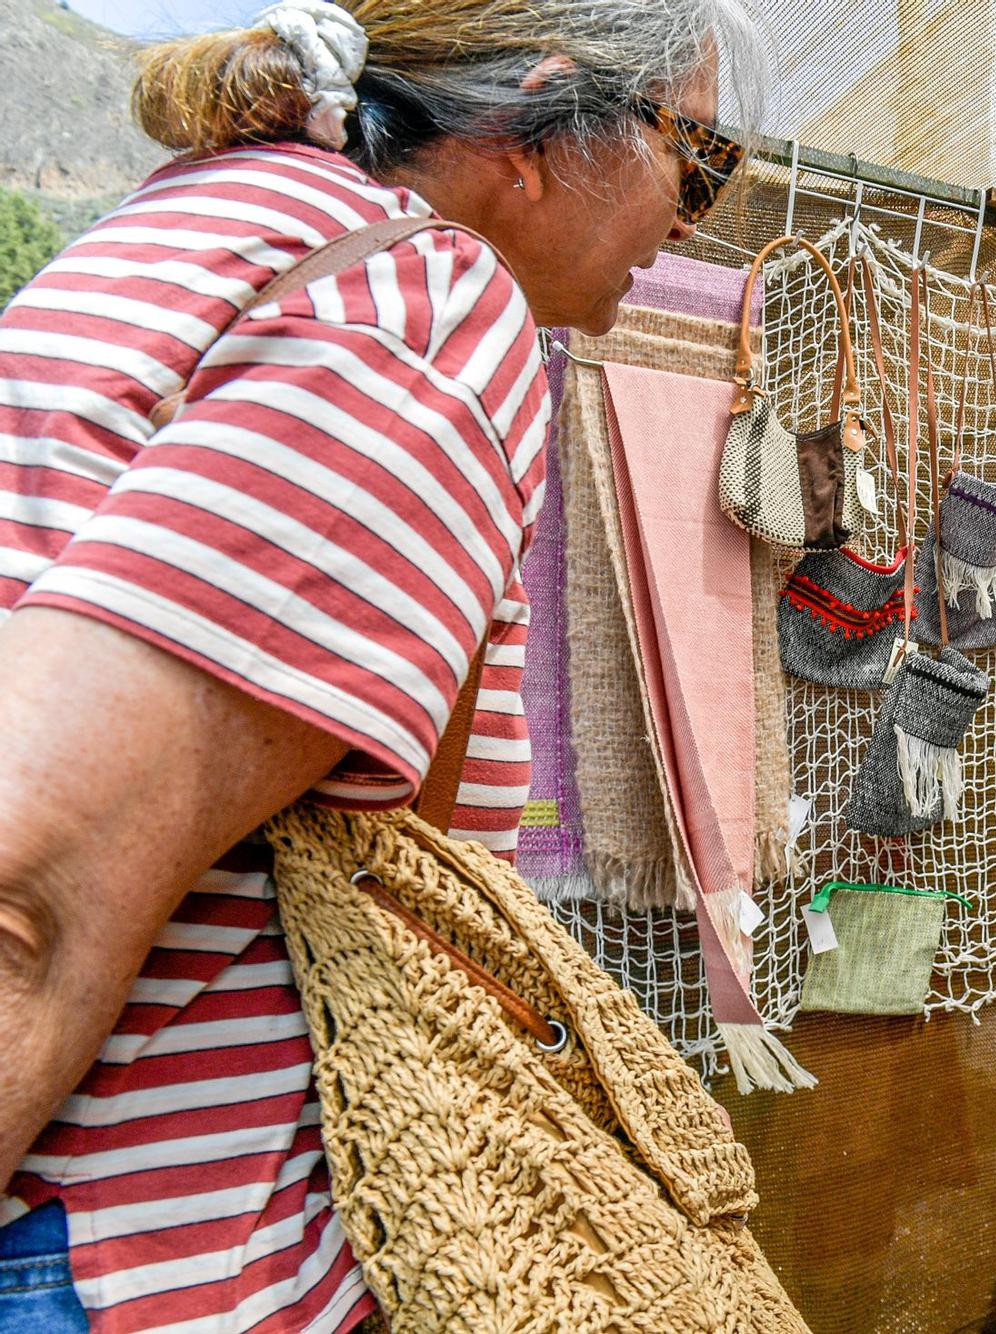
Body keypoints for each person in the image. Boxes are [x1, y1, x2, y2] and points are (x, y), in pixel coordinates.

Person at [0, 1, 763, 1328]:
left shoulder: (189, 223)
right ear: (534, 129)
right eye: (693, 158)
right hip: (139, 1249)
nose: (692, 221)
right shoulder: (425, 301)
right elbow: (32, 895)